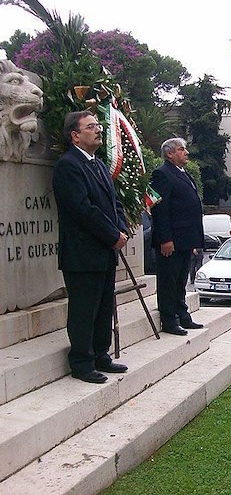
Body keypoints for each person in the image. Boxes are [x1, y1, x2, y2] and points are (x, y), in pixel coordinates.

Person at [52, 111, 129, 384]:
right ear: (75, 135)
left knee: (103, 306)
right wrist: (112, 235)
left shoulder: (97, 164)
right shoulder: (68, 165)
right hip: (83, 253)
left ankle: (101, 355)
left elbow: (113, 202)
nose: (99, 130)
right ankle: (82, 362)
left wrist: (122, 228)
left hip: (104, 250)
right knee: (84, 309)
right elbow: (83, 210)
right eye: (91, 126)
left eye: (98, 125)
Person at [150, 138, 204, 335]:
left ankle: (183, 315)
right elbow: (160, 209)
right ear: (170, 153)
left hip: (185, 239)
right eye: (182, 149)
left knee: (180, 280)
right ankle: (169, 320)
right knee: (168, 281)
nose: (186, 153)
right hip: (171, 240)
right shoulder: (162, 174)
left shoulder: (183, 173)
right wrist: (165, 239)